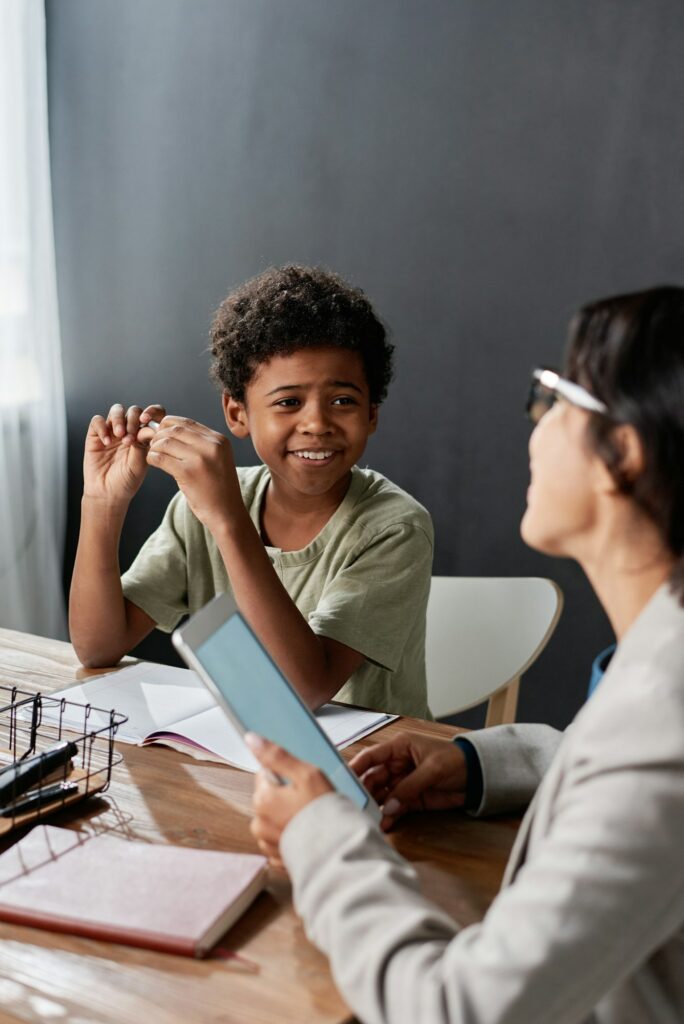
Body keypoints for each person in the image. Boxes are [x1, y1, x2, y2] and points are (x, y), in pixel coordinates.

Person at [249, 286, 684, 1022]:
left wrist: (320, 838)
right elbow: (623, 775)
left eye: (555, 399)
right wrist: (482, 764)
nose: (536, 428)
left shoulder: (666, 726)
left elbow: (457, 1009)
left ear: (625, 455)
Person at [69, 265, 433, 717]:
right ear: (237, 414)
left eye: (343, 400)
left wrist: (227, 519)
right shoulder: (199, 508)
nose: (317, 423)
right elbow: (97, 647)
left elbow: (305, 690)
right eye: (288, 402)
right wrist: (102, 504)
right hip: (242, 758)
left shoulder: (395, 527)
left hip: (369, 766)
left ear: (372, 414)